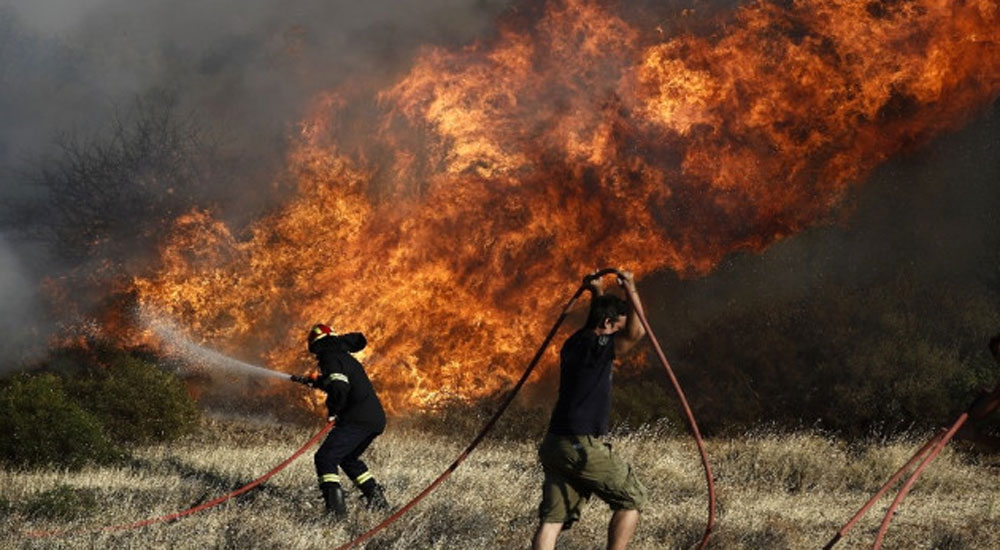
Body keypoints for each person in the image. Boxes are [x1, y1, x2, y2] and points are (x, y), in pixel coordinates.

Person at [532, 270, 649, 550]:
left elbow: (597, 321)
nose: (619, 336)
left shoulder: (574, 342)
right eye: (617, 328)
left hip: (556, 444)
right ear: (608, 324)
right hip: (580, 444)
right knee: (632, 498)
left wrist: (597, 292)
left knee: (552, 520)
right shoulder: (598, 347)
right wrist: (630, 287)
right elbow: (637, 332)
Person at [300, 323, 389, 516]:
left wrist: (334, 411)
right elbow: (338, 381)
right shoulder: (342, 356)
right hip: (374, 419)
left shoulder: (329, 356)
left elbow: (339, 387)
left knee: (325, 458)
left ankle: (336, 514)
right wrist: (318, 382)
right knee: (348, 459)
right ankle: (378, 502)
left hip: (357, 419)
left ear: (316, 344)